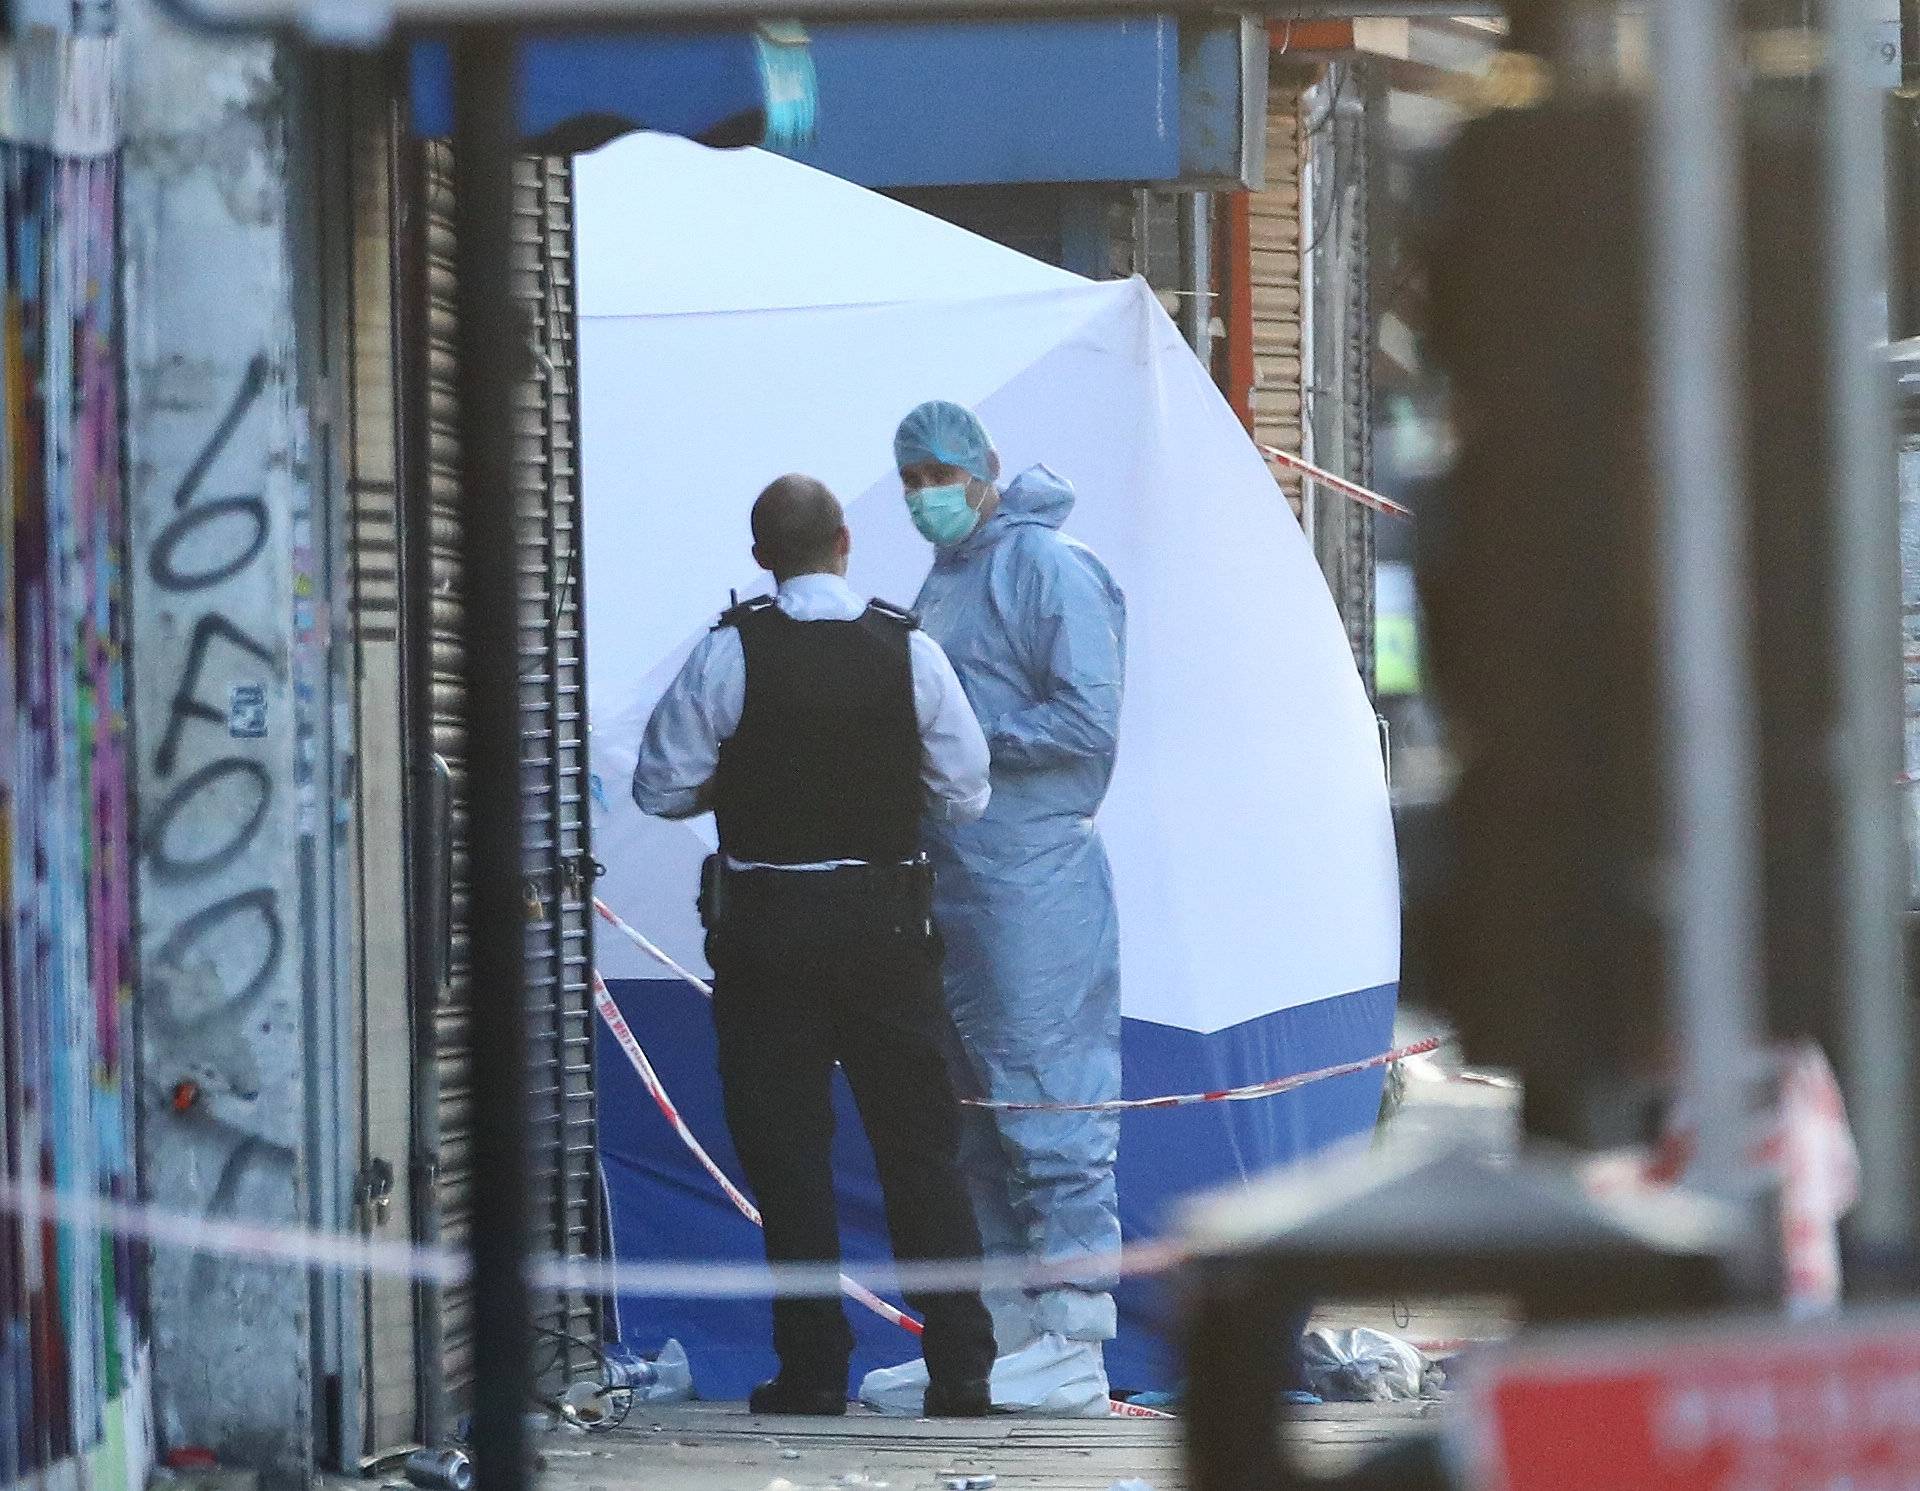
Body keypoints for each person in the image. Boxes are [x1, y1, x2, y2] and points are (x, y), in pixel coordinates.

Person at [631, 474, 998, 1418]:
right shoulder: (906, 649)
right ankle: (960, 1362)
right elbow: (967, 790)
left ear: (763, 556)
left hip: (767, 936)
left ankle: (812, 1368)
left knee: (788, 1155)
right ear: (844, 539)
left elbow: (662, 788)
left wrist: (749, 782)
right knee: (919, 1147)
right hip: (886, 928)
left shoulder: (730, 652)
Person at [859, 402, 1127, 1418]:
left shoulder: (1046, 567)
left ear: (986, 469)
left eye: (939, 471)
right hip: (960, 878)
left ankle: (1075, 1338)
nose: (926, 490)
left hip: (1035, 879)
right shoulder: (952, 576)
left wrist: (959, 737)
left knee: (1054, 1104)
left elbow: (1088, 716)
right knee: (974, 1118)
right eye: (910, 476)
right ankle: (1010, 1330)